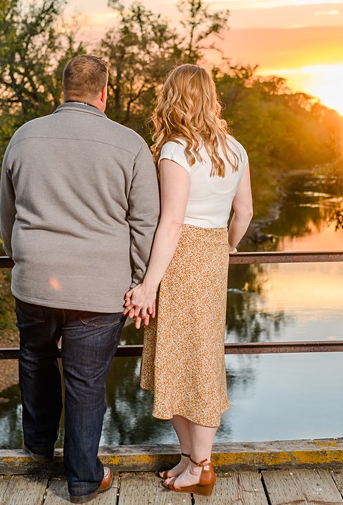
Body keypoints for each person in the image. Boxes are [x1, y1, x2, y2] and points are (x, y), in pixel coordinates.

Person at [0, 55, 160, 504]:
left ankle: (37, 447)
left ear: (63, 89)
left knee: (35, 356)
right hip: (100, 289)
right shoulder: (129, 144)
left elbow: (7, 213)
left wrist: (20, 259)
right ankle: (84, 479)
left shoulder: (24, 136)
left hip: (34, 278)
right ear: (105, 93)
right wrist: (140, 281)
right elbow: (146, 223)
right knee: (86, 381)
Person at [125, 63, 253, 496]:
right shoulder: (235, 148)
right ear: (209, 96)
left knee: (183, 358)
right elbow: (246, 213)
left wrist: (146, 284)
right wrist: (229, 246)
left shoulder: (176, 150)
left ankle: (201, 466)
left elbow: (173, 221)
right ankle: (188, 459)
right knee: (199, 355)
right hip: (214, 254)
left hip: (180, 260)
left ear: (172, 99)